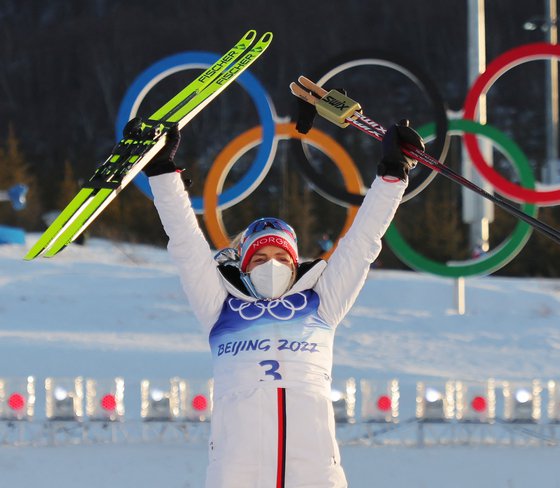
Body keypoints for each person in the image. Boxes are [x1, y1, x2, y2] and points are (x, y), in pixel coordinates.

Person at [143, 118, 424, 488]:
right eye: (260, 259)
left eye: (281, 258)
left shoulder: (322, 302)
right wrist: (163, 173)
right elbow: (185, 244)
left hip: (315, 470)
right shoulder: (218, 306)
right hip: (237, 472)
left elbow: (362, 243)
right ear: (242, 267)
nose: (271, 265)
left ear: (295, 265)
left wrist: (393, 174)